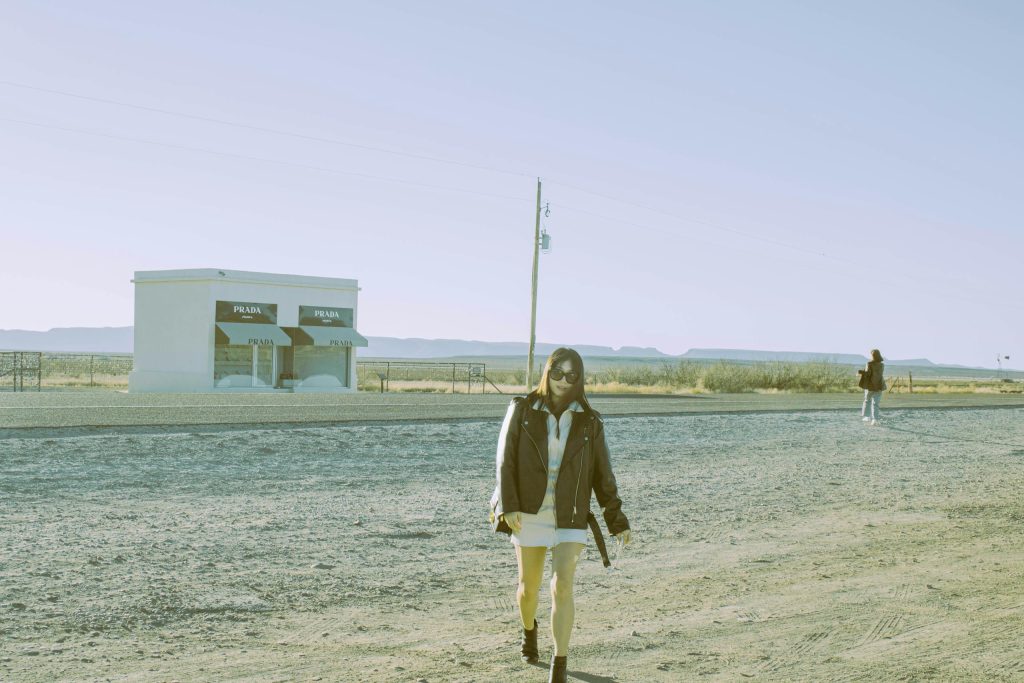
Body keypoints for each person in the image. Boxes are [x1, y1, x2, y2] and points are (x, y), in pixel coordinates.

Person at [490, 348, 630, 683]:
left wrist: (616, 519)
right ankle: (529, 630)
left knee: (562, 585)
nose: (563, 381)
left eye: (571, 376)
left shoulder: (590, 422)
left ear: (579, 380)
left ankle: (559, 663)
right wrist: (508, 504)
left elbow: (602, 474)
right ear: (547, 372)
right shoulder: (522, 410)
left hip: (570, 515)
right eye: (557, 373)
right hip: (528, 512)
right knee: (528, 588)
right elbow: (504, 459)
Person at [858, 349, 886, 425]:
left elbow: (868, 374)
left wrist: (860, 372)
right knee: (876, 403)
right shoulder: (882, 365)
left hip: (870, 386)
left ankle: (867, 416)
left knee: (867, 400)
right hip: (879, 385)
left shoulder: (869, 363)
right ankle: (875, 419)